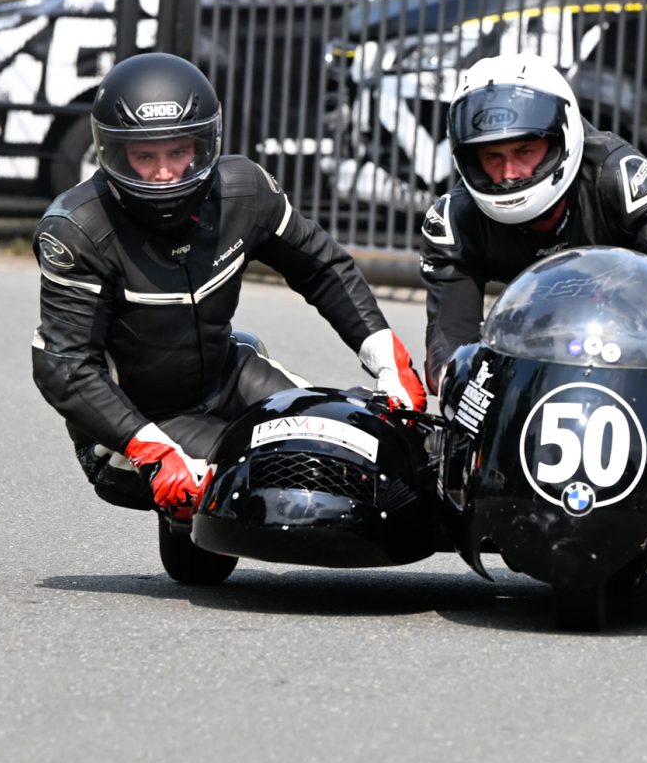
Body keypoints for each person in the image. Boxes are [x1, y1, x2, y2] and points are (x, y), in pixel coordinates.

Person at [31, 52, 425, 519]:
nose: (165, 172)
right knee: (270, 473)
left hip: (229, 375)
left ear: (204, 145)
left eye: (178, 152)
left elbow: (320, 265)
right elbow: (65, 366)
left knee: (344, 442)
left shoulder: (245, 190)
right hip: (133, 422)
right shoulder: (76, 229)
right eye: (144, 156)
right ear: (114, 153)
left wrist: (384, 353)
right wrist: (146, 445)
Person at [418, 51, 647, 394]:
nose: (509, 173)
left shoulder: (622, 180)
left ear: (560, 139)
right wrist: (461, 383)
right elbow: (449, 345)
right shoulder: (454, 222)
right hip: (528, 359)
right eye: (492, 156)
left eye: (524, 151)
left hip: (641, 339)